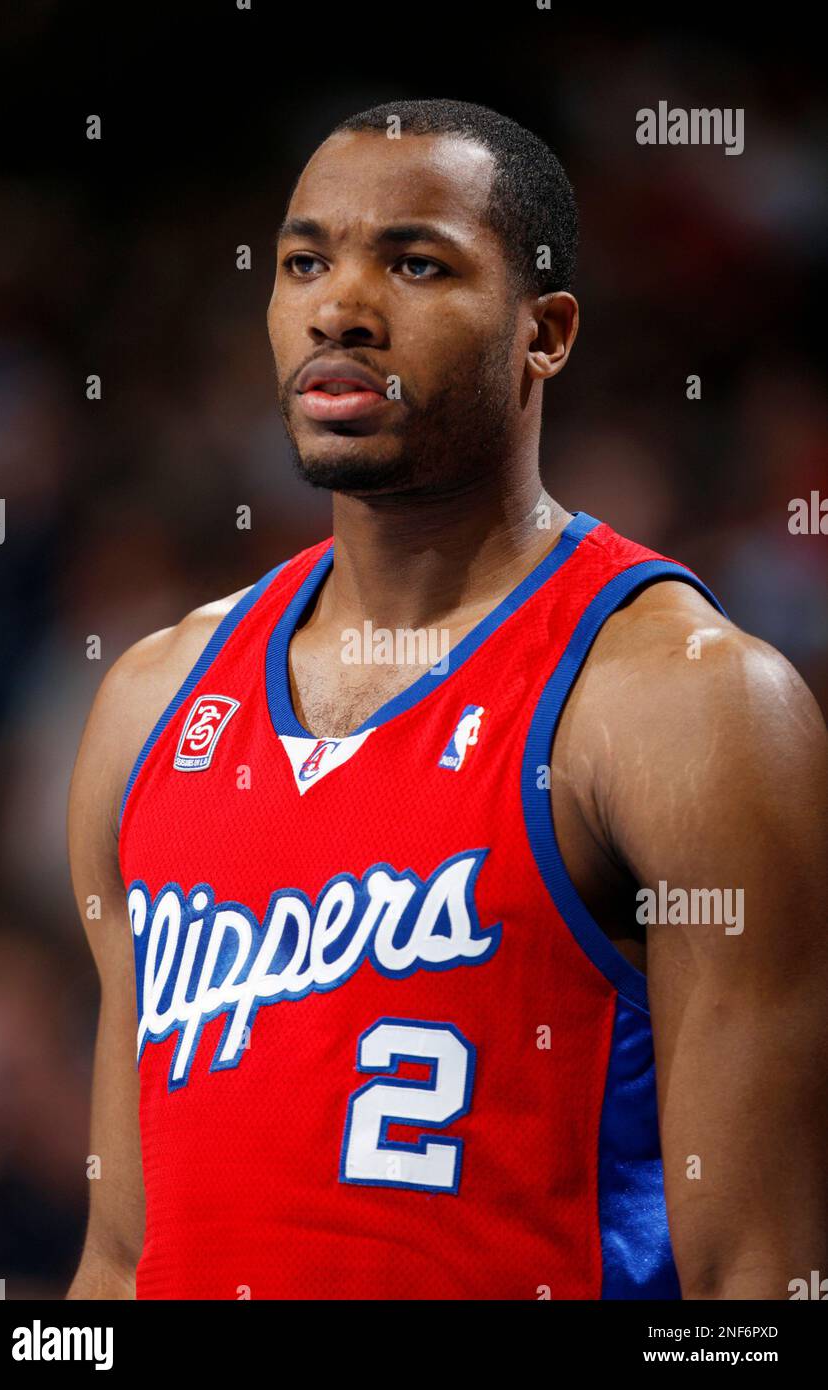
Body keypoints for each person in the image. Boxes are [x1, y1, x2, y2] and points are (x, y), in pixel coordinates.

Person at [67, 100, 828, 1301]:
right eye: (305, 261)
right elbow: (120, 1258)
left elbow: (759, 1280)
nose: (340, 308)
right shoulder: (152, 698)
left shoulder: (686, 703)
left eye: (414, 263)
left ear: (547, 333)